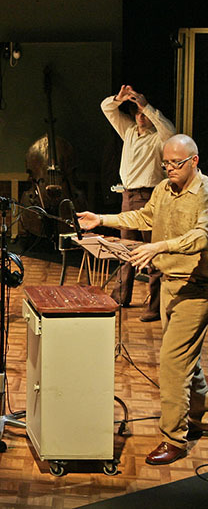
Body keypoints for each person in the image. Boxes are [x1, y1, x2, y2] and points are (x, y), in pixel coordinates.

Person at [77, 134, 208, 465]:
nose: (169, 169)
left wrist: (160, 246)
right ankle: (199, 417)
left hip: (196, 288)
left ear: (194, 161)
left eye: (176, 163)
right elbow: (144, 217)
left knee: (173, 362)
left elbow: (201, 236)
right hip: (169, 284)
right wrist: (102, 220)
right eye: (165, 163)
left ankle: (174, 438)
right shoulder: (164, 189)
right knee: (186, 359)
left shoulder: (205, 192)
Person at [101, 85, 175, 322]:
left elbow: (171, 133)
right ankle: (120, 297)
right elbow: (107, 108)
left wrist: (147, 107)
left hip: (149, 196)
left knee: (151, 253)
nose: (141, 117)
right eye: (138, 113)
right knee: (126, 249)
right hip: (128, 195)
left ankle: (155, 306)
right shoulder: (130, 131)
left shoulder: (158, 137)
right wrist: (119, 98)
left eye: (144, 114)